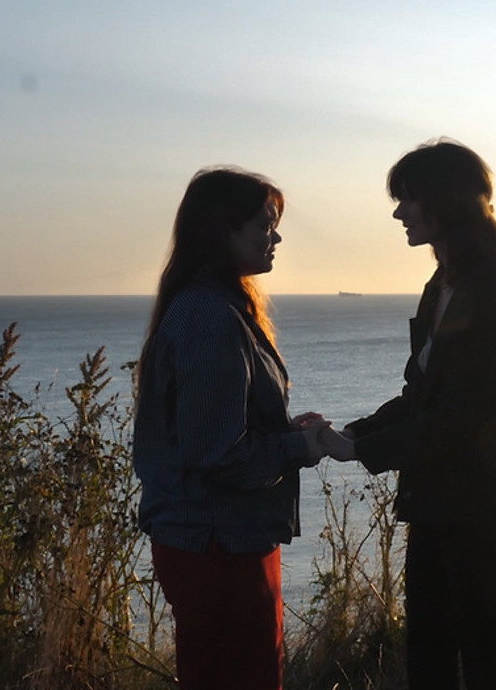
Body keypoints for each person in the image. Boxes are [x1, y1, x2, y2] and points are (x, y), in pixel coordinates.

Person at [323, 140, 496, 689]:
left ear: (444, 202)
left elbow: (462, 415)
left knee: (491, 664)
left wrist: (363, 449)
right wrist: (353, 432)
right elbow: (422, 395)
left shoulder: (491, 290)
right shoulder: (444, 285)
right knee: (428, 656)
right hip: (440, 504)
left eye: (408, 198)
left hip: (484, 511)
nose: (399, 212)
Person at [133, 167, 335, 689]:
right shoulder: (210, 317)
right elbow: (219, 456)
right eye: (265, 225)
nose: (276, 238)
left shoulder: (215, 307)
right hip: (219, 547)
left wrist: (287, 433)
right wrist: (299, 448)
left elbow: (215, 433)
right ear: (223, 230)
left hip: (217, 541)